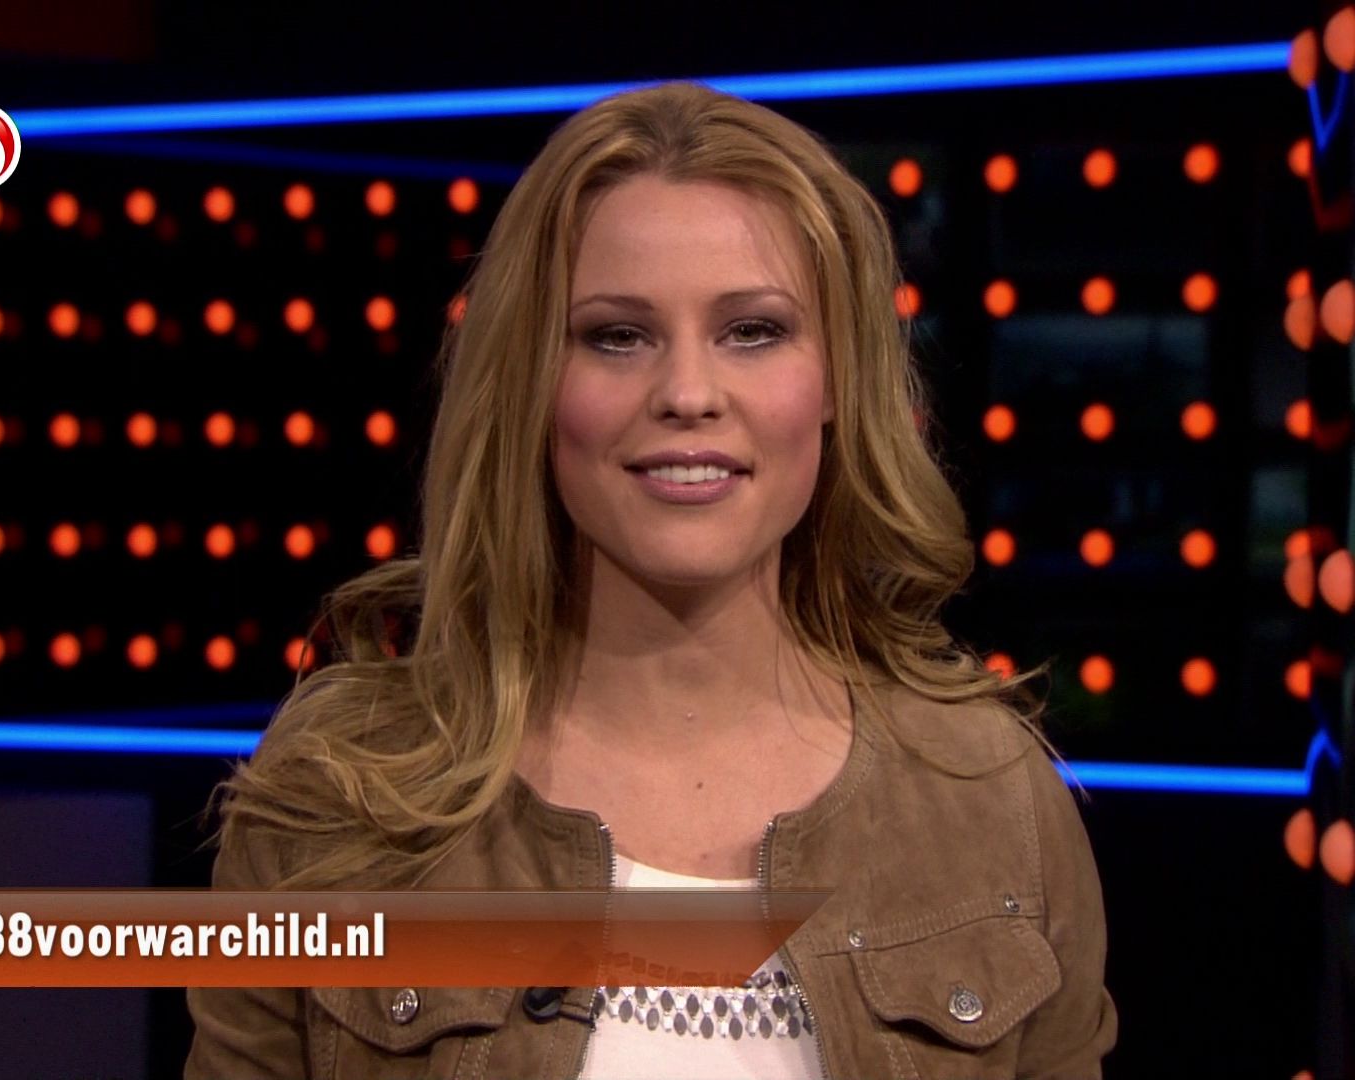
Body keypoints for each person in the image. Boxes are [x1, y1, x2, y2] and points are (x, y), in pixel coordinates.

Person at [185, 79, 1116, 1080]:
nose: (686, 394)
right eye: (616, 336)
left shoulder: (992, 803)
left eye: (752, 330)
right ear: (533, 381)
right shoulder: (337, 795)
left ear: (837, 381)